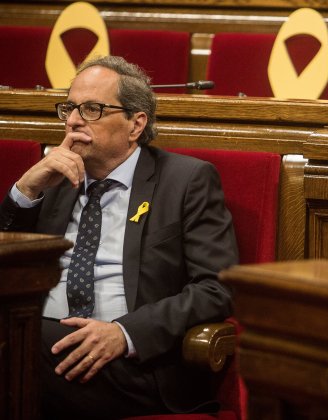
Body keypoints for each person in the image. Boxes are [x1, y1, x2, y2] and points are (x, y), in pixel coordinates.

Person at [0, 55, 238, 418]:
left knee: (16, 345)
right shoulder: (54, 180)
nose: (75, 121)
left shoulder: (186, 180)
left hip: (132, 364)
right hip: (40, 338)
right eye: (70, 108)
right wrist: (24, 190)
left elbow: (216, 288)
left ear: (135, 124)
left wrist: (123, 333)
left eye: (92, 109)